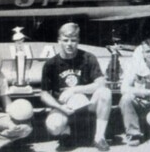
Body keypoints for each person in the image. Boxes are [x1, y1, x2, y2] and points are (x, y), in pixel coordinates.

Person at [40, 22, 112, 151]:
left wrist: (74, 90)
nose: (69, 44)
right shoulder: (51, 64)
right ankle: (65, 131)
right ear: (59, 41)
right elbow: (44, 93)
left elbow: (101, 83)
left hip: (88, 104)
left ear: (78, 40)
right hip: (63, 106)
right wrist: (59, 107)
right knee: (54, 126)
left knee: (105, 93)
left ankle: (99, 137)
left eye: (73, 40)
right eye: (65, 40)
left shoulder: (88, 58)